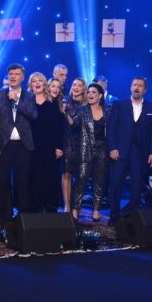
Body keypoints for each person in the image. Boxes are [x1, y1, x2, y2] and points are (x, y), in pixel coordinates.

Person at [0, 63, 37, 225]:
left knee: (22, 181)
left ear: (22, 77)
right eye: (11, 74)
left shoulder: (29, 96)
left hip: (24, 145)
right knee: (2, 181)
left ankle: (23, 216)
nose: (13, 76)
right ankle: (3, 215)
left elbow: (33, 115)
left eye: (16, 74)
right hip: (4, 144)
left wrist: (17, 101)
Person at [107, 77, 152, 226]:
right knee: (116, 184)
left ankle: (133, 217)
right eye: (134, 85)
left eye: (140, 86)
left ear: (145, 90)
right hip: (120, 151)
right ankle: (114, 216)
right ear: (130, 87)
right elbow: (111, 128)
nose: (137, 88)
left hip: (140, 153)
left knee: (136, 186)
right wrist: (112, 148)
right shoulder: (119, 104)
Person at [69, 83, 108, 221]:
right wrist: (65, 113)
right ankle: (75, 208)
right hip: (85, 150)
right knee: (81, 179)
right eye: (89, 92)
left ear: (100, 96)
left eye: (93, 92)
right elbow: (73, 124)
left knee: (99, 181)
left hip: (102, 151)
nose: (90, 94)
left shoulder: (107, 111)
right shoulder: (82, 110)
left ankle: (96, 209)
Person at [28, 72, 64, 213]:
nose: (37, 83)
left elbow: (58, 127)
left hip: (49, 147)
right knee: (33, 177)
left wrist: (59, 147)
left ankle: (49, 208)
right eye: (34, 81)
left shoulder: (52, 103)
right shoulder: (27, 102)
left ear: (44, 84)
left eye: (40, 81)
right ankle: (34, 208)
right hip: (31, 146)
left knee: (50, 178)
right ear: (30, 85)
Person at [61, 77, 87, 212]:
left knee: (81, 176)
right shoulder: (64, 102)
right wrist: (63, 111)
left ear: (84, 89)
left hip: (82, 143)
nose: (76, 87)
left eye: (79, 85)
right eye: (74, 84)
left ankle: (77, 204)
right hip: (67, 142)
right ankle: (67, 205)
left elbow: (79, 124)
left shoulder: (87, 105)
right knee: (66, 174)